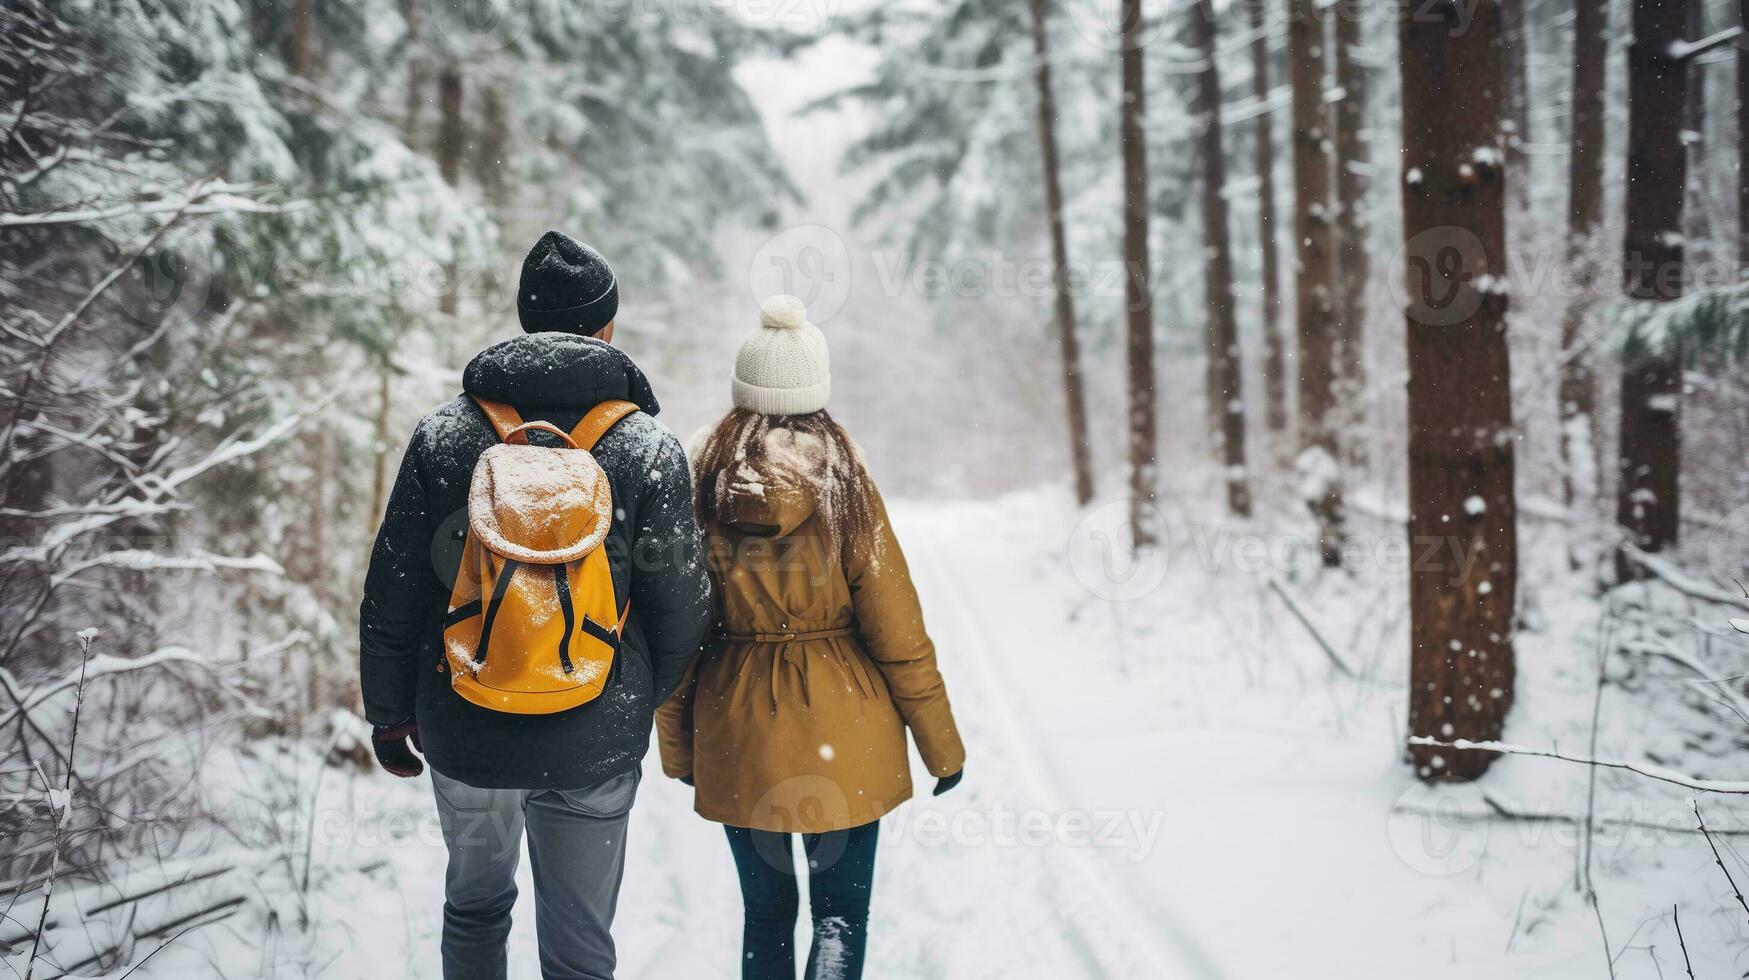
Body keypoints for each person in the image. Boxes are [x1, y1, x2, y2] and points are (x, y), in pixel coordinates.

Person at [359, 231, 710, 980]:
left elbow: (394, 589)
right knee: (580, 947)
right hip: (594, 729)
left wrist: (389, 712)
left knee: (475, 908)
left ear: (526, 320)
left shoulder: (444, 436)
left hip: (466, 720)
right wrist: (640, 694)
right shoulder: (647, 449)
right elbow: (681, 603)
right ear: (607, 327)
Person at [656, 294, 966, 980]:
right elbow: (898, 629)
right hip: (845, 730)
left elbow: (678, 634)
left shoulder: (699, 485)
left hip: (739, 731)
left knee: (765, 916)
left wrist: (679, 749)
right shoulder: (847, 488)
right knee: (838, 918)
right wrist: (940, 745)